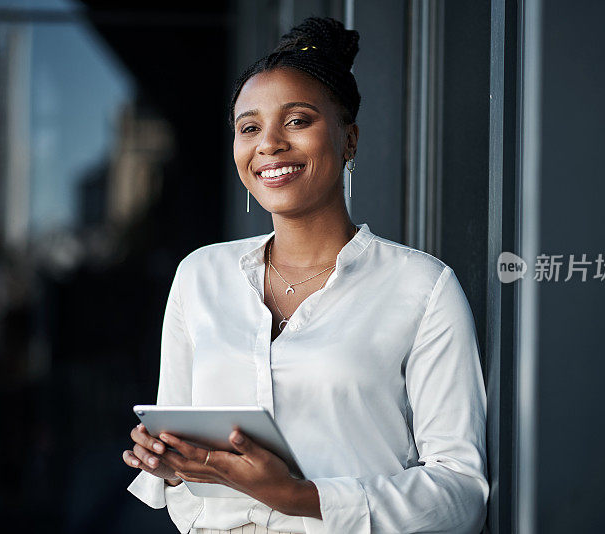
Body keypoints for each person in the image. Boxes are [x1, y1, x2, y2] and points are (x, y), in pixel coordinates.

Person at [122, 16, 488, 534]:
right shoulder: (199, 276)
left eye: (297, 120)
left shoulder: (422, 289)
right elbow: (184, 474)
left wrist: (299, 497)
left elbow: (460, 493)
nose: (268, 143)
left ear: (350, 139)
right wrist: (171, 464)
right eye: (249, 127)